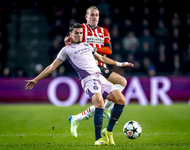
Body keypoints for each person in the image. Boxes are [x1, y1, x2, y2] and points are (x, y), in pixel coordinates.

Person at [25, 23, 133, 146]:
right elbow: (51, 67)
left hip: (99, 76)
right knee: (99, 103)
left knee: (121, 100)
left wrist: (121, 64)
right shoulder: (66, 50)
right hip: (88, 79)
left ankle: (108, 131)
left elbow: (102, 59)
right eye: (76, 33)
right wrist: (36, 79)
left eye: (81, 33)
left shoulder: (87, 45)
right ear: (70, 34)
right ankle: (98, 139)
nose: (79, 35)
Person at [64, 6, 128, 137]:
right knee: (117, 87)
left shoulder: (104, 31)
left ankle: (77, 118)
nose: (94, 17)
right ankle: (105, 110)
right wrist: (67, 44)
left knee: (120, 84)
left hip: (101, 66)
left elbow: (109, 51)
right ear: (86, 17)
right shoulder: (81, 29)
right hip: (90, 67)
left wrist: (92, 48)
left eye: (97, 15)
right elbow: (70, 44)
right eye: (92, 15)